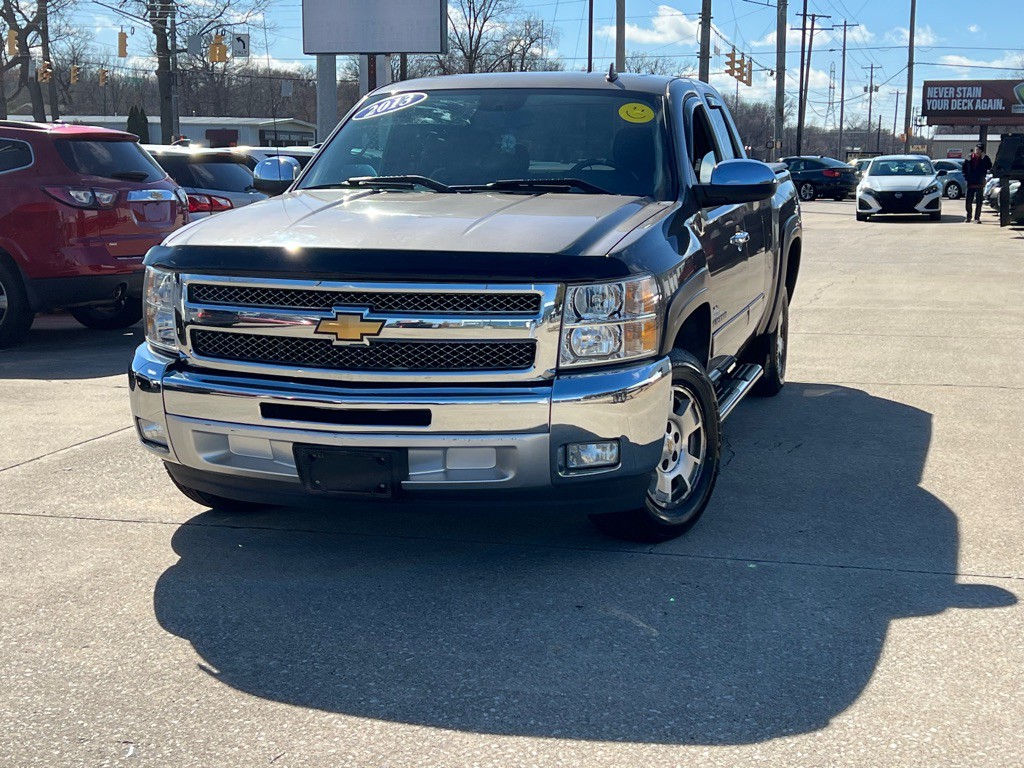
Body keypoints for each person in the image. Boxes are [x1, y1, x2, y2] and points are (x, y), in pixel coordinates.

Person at [962, 143, 993, 223]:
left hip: (979, 182)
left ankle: (977, 218)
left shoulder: (985, 158)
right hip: (970, 182)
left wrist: (984, 159)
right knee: (968, 201)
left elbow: (989, 166)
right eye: (976, 149)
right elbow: (964, 168)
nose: (977, 151)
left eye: (979, 150)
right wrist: (966, 177)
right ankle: (968, 217)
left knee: (979, 202)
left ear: (982, 151)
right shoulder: (969, 158)